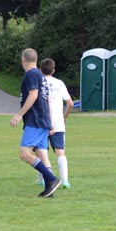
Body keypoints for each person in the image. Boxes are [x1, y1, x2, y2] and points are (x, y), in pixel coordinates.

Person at [9, 48, 61, 198]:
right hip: (43, 120)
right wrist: (49, 121)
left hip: (35, 120)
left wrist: (19, 115)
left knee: (24, 154)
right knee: (42, 154)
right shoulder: (40, 75)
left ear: (23, 60)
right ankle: (49, 190)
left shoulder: (31, 74)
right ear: (36, 60)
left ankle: (51, 179)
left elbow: (34, 95)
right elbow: (46, 99)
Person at [37, 58, 74, 189]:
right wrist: (64, 117)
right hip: (58, 122)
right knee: (60, 151)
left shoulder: (38, 82)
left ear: (40, 69)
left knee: (41, 151)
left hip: (41, 122)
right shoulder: (59, 83)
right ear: (53, 70)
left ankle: (41, 179)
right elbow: (70, 104)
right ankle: (65, 181)